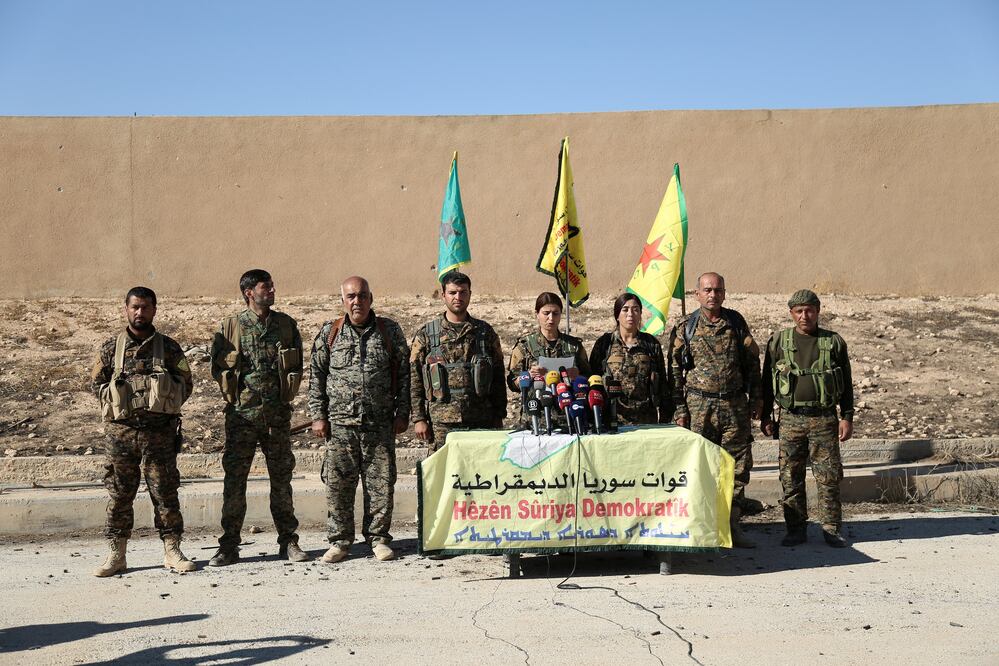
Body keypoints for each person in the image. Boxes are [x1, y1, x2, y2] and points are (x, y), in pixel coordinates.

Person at [90, 286, 195, 576]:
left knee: (165, 494)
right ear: (126, 309)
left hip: (159, 435)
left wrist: (162, 403)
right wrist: (119, 399)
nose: (140, 312)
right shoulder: (111, 348)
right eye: (135, 307)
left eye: (146, 307)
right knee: (120, 494)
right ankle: (117, 554)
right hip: (120, 435)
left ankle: (172, 551)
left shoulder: (169, 348)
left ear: (154, 310)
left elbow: (185, 384)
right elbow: (96, 385)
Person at [208, 269, 309, 566]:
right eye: (267, 286)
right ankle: (229, 546)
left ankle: (289, 542)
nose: (273, 290)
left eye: (273, 285)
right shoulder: (231, 327)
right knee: (235, 483)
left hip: (276, 417)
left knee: (282, 482)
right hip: (242, 418)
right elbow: (217, 369)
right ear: (249, 292)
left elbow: (296, 365)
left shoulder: (286, 325)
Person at [308, 276, 410, 563]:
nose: (357, 301)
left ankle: (378, 539)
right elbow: (317, 375)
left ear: (371, 298)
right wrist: (318, 416)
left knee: (381, 485)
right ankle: (339, 542)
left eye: (362, 295)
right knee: (338, 487)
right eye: (351, 296)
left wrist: (403, 413)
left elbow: (404, 374)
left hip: (379, 425)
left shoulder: (389, 331)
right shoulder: (330, 333)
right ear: (343, 300)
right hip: (340, 426)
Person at [668, 272, 762, 548]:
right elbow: (674, 371)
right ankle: (702, 526)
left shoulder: (735, 322)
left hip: (734, 406)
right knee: (700, 467)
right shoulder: (686, 326)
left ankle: (731, 526)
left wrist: (757, 398)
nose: (713, 295)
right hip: (700, 408)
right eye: (707, 290)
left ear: (724, 293)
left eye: (718, 290)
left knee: (736, 467)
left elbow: (752, 363)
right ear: (697, 294)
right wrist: (679, 409)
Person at [761, 289, 854, 548]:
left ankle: (831, 528)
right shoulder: (778, 341)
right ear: (791, 313)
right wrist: (766, 415)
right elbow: (766, 381)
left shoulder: (833, 342)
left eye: (809, 310)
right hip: (790, 419)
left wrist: (847, 416)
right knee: (790, 476)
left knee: (829, 477)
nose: (805, 316)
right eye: (799, 311)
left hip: (824, 419)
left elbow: (846, 382)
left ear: (818, 311)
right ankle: (795, 529)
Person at [410, 271, 506, 451]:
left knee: (479, 466)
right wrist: (419, 418)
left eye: (463, 292)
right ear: (443, 295)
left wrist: (499, 413)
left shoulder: (484, 332)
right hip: (441, 423)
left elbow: (498, 376)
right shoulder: (427, 335)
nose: (458, 297)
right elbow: (415, 379)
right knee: (444, 468)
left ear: (470, 294)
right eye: (452, 292)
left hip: (481, 419)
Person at [506, 292, 591, 430]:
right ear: (537, 314)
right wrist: (528, 375)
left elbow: (589, 378)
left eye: (555, 313)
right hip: (536, 419)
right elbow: (512, 383)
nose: (551, 318)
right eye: (546, 313)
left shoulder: (574, 346)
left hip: (570, 418)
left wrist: (578, 376)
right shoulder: (525, 346)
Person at [588, 293, 671, 425]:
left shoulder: (651, 344)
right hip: (612, 421)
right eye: (625, 310)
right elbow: (593, 382)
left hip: (646, 421)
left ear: (640, 314)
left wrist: (665, 420)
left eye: (635, 310)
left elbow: (662, 385)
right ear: (617, 315)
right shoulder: (604, 344)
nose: (630, 314)